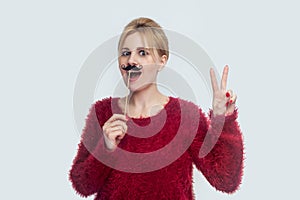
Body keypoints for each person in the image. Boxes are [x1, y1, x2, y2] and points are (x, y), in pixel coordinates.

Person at [69, 17, 244, 200]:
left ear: (162, 61)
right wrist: (106, 147)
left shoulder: (187, 117)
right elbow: (82, 185)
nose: (131, 60)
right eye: (125, 53)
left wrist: (224, 118)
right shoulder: (102, 112)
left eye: (143, 53)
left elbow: (225, 179)